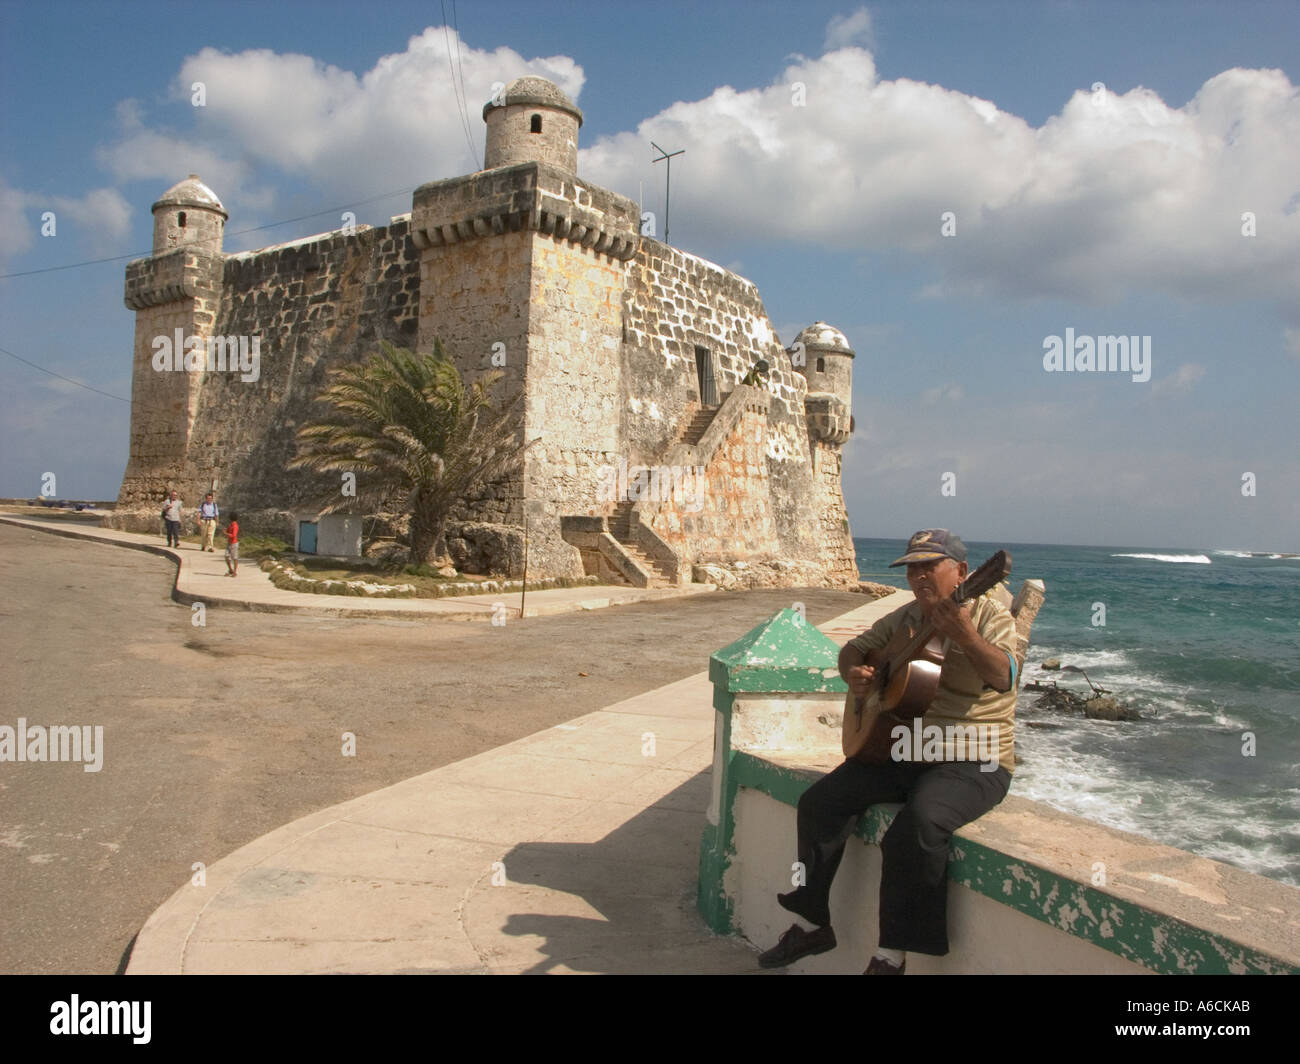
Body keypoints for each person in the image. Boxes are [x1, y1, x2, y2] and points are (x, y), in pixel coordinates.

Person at [759, 529, 1018, 975]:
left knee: (917, 824)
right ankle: (811, 922)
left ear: (960, 572)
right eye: (911, 568)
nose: (917, 576)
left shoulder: (991, 615)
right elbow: (853, 649)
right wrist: (856, 674)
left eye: (927, 566)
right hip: (906, 748)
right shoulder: (905, 619)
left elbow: (1004, 677)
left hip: (974, 759)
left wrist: (968, 637)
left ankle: (890, 957)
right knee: (821, 802)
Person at [223, 511, 240, 576]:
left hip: (234, 543)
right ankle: (231, 570)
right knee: (226, 556)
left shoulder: (235, 526)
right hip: (229, 543)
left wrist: (226, 533)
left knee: (234, 557)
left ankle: (234, 571)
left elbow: (233, 535)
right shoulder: (231, 525)